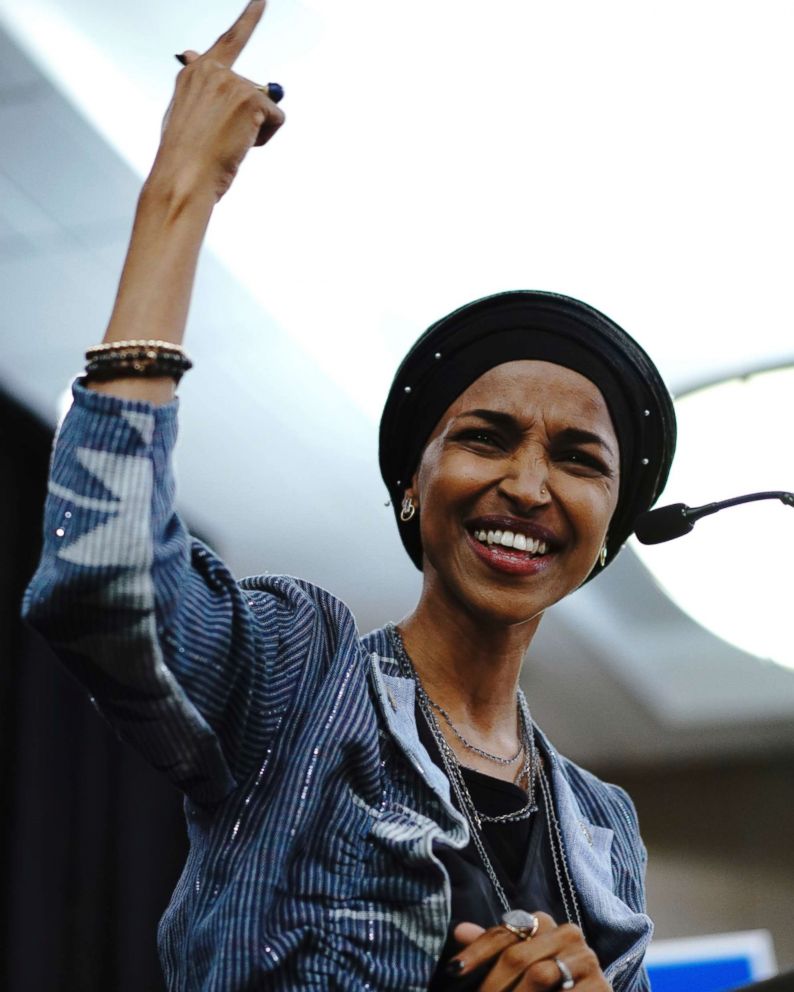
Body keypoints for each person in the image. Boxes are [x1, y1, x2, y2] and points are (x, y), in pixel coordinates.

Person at [22, 2, 676, 989]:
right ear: (412, 487)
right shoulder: (301, 674)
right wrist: (180, 190)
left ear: (607, 534)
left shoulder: (601, 826)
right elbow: (104, 580)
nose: (527, 483)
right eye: (484, 438)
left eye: (578, 458)